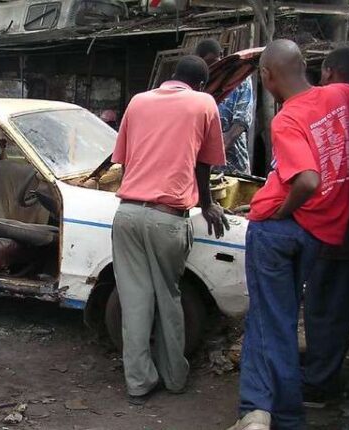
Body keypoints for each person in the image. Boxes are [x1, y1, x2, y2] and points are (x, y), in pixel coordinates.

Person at [229, 40, 349, 430]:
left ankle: (265, 413)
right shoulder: (341, 95)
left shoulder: (286, 118)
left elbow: (308, 179)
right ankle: (276, 412)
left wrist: (279, 209)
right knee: (280, 321)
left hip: (280, 229)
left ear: (267, 76)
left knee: (269, 322)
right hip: (319, 233)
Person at [111, 55, 229, 405]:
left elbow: (126, 159)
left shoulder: (138, 101)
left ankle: (138, 383)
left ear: (170, 77)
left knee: (134, 303)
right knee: (168, 297)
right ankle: (175, 378)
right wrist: (206, 203)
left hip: (128, 214)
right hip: (168, 216)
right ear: (202, 83)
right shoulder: (204, 103)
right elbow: (203, 164)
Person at [302, 47, 349, 408]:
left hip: (338, 223)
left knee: (328, 301)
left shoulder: (333, 107)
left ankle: (321, 383)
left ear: (330, 72)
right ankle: (321, 371)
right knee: (329, 301)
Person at [195, 39, 255, 174]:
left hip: (234, 164)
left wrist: (215, 154)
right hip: (204, 166)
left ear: (221, 55)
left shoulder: (239, 80)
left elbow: (241, 122)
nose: (211, 67)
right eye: (206, 64)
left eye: (213, 61)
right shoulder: (199, 83)